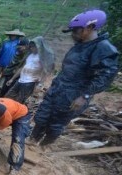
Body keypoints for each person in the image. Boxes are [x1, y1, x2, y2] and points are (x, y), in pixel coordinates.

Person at [30, 10, 119, 146]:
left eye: (76, 30)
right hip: (58, 89)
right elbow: (67, 70)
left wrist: (85, 96)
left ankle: (44, 147)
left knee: (56, 123)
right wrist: (53, 86)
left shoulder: (103, 49)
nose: (73, 34)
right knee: (42, 117)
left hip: (74, 95)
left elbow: (105, 77)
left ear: (89, 28)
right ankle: (32, 141)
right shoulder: (79, 46)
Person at [5, 37, 55, 103]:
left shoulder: (43, 58)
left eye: (33, 47)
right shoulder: (30, 55)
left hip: (30, 82)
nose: (31, 48)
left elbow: (45, 72)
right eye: (30, 46)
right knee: (9, 96)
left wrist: (40, 85)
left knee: (20, 100)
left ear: (38, 46)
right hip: (21, 80)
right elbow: (22, 68)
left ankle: (17, 112)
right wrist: (12, 79)